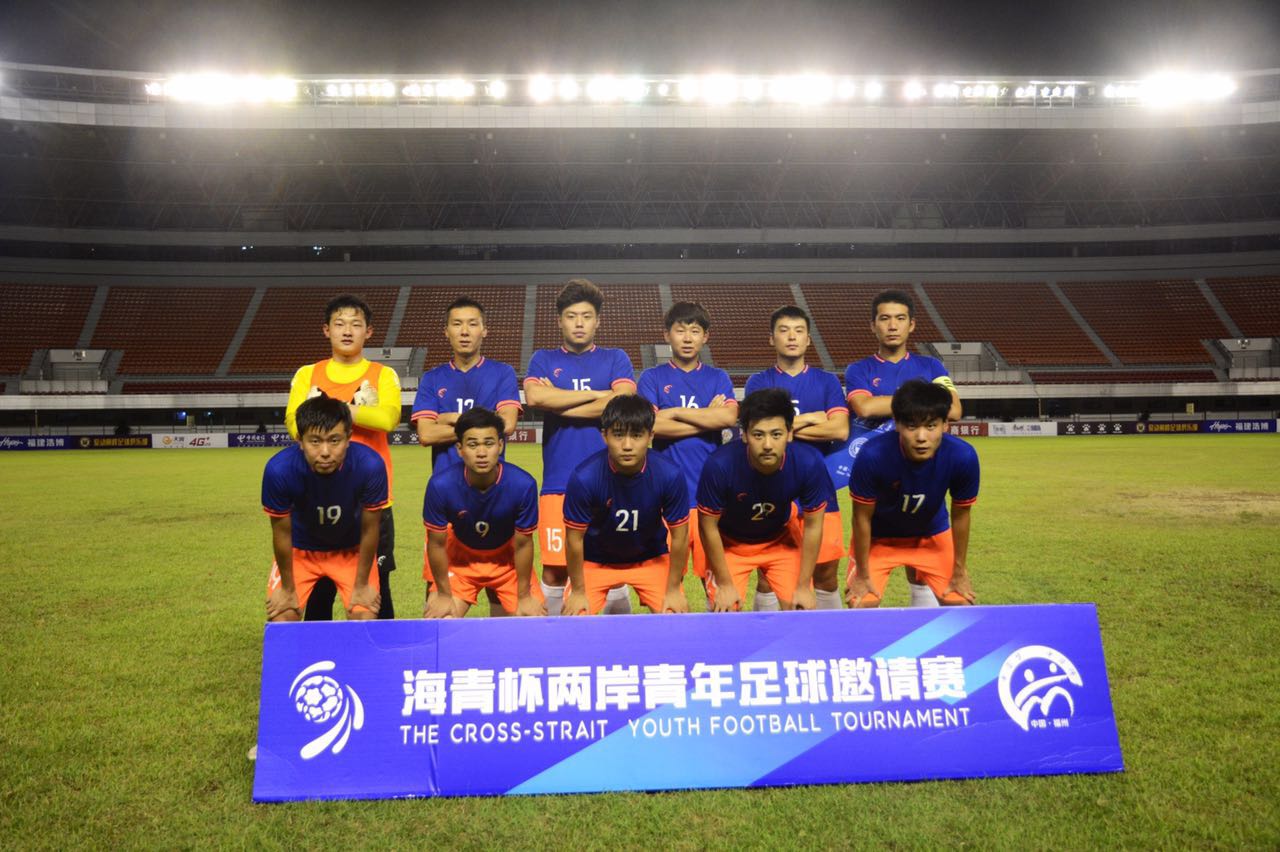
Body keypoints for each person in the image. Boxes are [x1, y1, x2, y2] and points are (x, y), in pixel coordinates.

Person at [284, 294, 402, 620]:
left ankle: (379, 649)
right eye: (339, 324)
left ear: (369, 332)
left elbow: (388, 419)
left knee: (377, 590)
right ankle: (319, 649)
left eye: (355, 324)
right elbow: (294, 425)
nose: (347, 331)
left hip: (372, 499)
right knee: (319, 590)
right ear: (326, 330)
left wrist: (329, 409)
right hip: (318, 496)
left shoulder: (383, 374)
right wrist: (360, 410)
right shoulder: (308, 373)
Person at [523, 279, 637, 616]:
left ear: (597, 321)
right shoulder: (543, 359)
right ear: (559, 320)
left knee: (613, 568)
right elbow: (535, 397)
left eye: (586, 316)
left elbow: (624, 400)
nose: (579, 323)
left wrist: (559, 402)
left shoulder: (616, 358)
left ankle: (618, 639)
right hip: (559, 481)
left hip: (611, 481)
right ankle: (554, 641)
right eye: (571, 316)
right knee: (555, 570)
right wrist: (601, 396)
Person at [845, 289, 961, 607]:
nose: (893, 325)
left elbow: (953, 409)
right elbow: (863, 407)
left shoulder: (931, 365)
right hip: (880, 472)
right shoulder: (859, 369)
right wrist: (922, 402)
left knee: (924, 576)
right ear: (873, 326)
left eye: (900, 318)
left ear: (912, 325)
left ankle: (922, 631)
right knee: (863, 598)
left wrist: (888, 403)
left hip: (923, 469)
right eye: (885, 319)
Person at [412, 296, 522, 615]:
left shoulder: (502, 373)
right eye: (457, 324)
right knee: (440, 609)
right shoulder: (433, 378)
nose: (464, 331)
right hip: (447, 502)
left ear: (484, 330)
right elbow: (425, 434)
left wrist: (448, 419)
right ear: (446, 331)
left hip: (495, 498)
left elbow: (507, 424)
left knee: (505, 609)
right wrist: (482, 425)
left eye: (472, 324)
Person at [743, 306, 849, 611]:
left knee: (826, 574)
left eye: (799, 331)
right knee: (769, 576)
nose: (792, 337)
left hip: (819, 486)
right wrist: (813, 417)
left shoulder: (827, 381)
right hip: (770, 488)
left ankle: (828, 637)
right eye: (784, 330)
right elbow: (758, 430)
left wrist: (782, 427)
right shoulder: (758, 382)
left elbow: (840, 429)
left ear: (808, 339)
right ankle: (767, 636)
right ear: (771, 338)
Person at [637, 302, 738, 604]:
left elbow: (728, 418)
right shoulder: (652, 378)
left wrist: (673, 413)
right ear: (667, 335)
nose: (687, 337)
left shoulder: (718, 377)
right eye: (680, 330)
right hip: (666, 498)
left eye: (695, 331)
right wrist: (707, 416)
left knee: (719, 588)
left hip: (711, 496)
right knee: (668, 587)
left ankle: (719, 636)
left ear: (705, 336)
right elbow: (652, 425)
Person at [846, 380, 978, 609]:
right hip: (878, 539)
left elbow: (961, 515)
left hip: (931, 536)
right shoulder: (872, 455)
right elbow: (861, 518)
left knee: (961, 604)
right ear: (897, 424)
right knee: (861, 603)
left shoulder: (962, 456)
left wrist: (959, 570)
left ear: (945, 424)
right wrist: (862, 574)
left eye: (931, 426)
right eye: (911, 426)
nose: (921, 437)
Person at [696, 388, 830, 612]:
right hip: (730, 544)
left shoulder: (808, 463)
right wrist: (725, 585)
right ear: (744, 435)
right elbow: (707, 526)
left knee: (801, 608)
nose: (767, 444)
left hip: (780, 540)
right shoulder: (719, 465)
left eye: (776, 434)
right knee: (725, 611)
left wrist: (804, 585)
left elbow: (814, 526)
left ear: (790, 433)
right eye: (758, 435)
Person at [561, 396, 690, 616]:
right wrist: (578, 592)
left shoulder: (669, 474)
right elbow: (574, 540)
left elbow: (680, 537)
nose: (627, 445)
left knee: (675, 615)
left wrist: (673, 589)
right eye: (618, 435)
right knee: (575, 618)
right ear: (604, 435)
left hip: (650, 558)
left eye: (637, 435)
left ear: (651, 435)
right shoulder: (584, 478)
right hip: (596, 560)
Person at [263, 395, 387, 622]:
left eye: (334, 440)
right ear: (300, 440)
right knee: (282, 618)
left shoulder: (370, 465)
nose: (325, 451)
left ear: (348, 438)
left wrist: (361, 585)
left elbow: (370, 529)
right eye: (315, 441)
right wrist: (287, 589)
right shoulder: (279, 470)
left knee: (364, 617)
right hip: (300, 552)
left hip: (351, 552)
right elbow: (281, 532)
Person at [421, 407, 544, 618]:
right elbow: (437, 544)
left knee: (533, 622)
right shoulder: (440, 485)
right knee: (442, 619)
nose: (481, 453)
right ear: (459, 449)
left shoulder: (523, 485)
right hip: (460, 562)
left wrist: (524, 596)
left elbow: (523, 544)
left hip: (507, 564)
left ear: (500, 445)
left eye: (488, 443)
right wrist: (443, 594)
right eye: (472, 444)